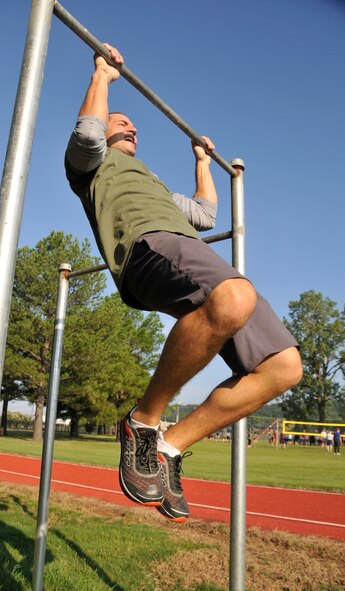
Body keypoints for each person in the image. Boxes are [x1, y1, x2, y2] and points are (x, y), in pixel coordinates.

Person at [65, 43, 303, 523]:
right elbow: (90, 133)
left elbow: (204, 212)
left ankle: (169, 450)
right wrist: (102, 78)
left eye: (133, 124)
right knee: (236, 295)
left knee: (284, 368)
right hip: (144, 247)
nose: (130, 126)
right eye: (120, 120)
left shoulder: (150, 179)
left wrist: (200, 160)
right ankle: (142, 421)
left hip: (187, 250)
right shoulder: (89, 167)